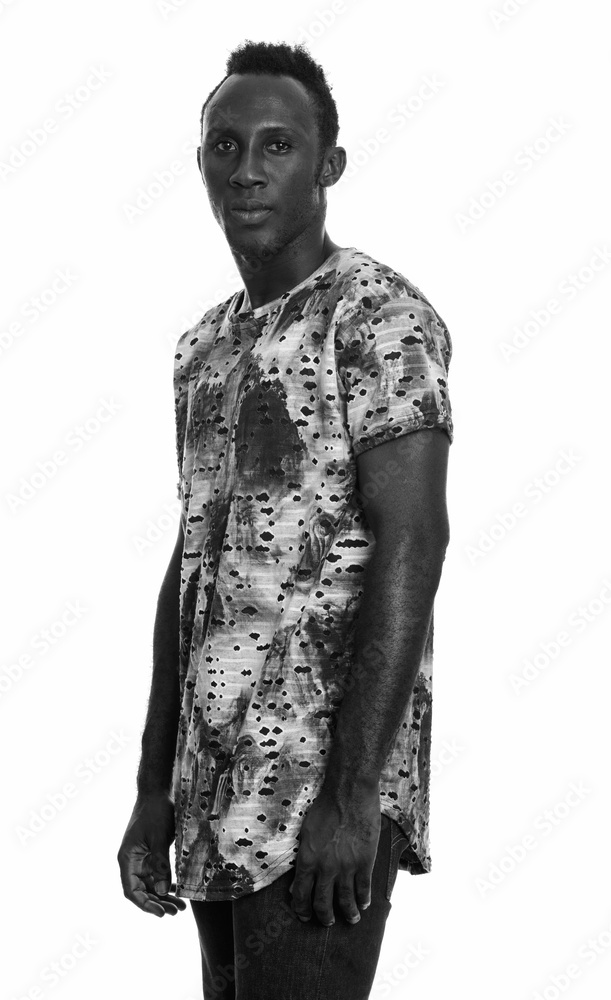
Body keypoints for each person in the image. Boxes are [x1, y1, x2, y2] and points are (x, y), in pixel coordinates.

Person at [118, 39, 454, 1000]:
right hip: (212, 788)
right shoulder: (205, 348)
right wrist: (153, 790)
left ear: (327, 166)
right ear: (200, 163)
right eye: (226, 146)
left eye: (277, 145)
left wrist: (353, 797)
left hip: (317, 788)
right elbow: (193, 564)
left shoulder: (375, 317)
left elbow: (413, 540)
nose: (248, 170)